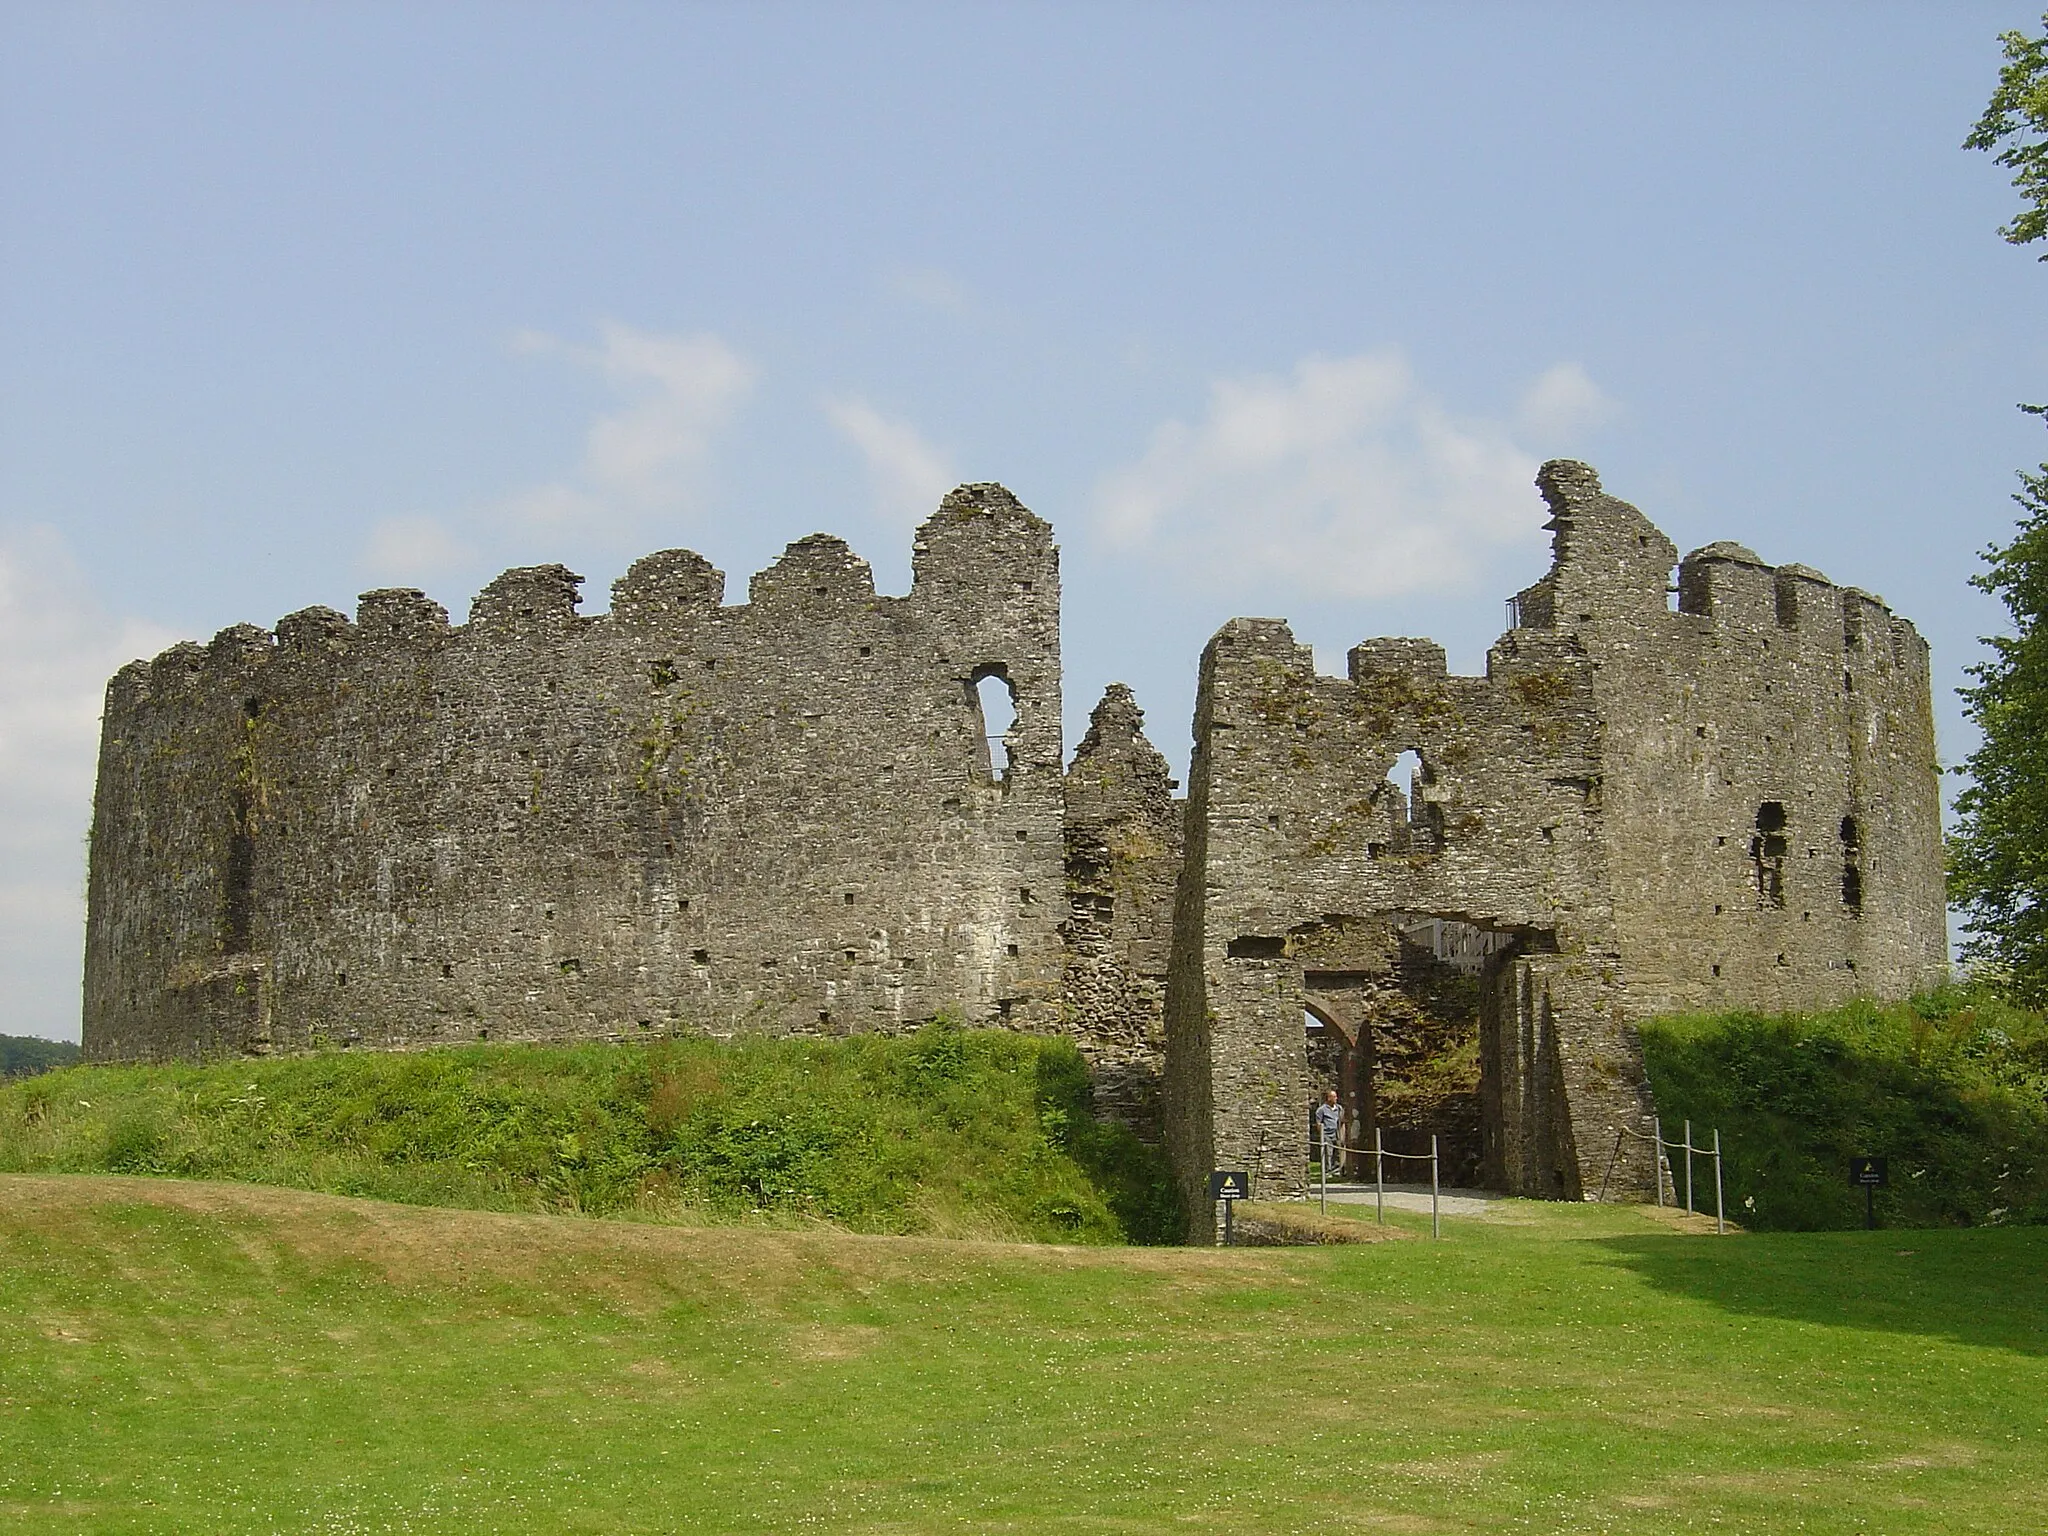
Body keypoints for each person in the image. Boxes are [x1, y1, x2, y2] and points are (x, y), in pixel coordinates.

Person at [1313, 1089, 1344, 1178]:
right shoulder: (1321, 1110)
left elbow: (1342, 1121)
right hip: (1327, 1133)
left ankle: (1336, 1169)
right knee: (1328, 1152)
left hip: (1336, 1133)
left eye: (1336, 1096)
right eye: (1334, 1097)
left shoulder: (1339, 1108)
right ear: (1329, 1098)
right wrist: (1322, 1134)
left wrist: (1342, 1134)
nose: (1336, 1098)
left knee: (1337, 1152)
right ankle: (1327, 1170)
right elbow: (1318, 1123)